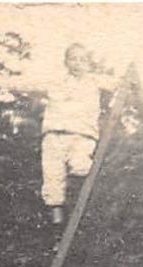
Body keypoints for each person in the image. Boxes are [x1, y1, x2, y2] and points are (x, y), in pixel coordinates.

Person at [40, 44, 111, 226]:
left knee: (80, 166)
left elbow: (118, 81)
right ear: (65, 62)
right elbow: (28, 82)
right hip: (54, 136)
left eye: (82, 59)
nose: (77, 64)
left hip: (81, 136)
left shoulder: (94, 81)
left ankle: (80, 212)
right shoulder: (55, 82)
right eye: (73, 59)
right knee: (52, 179)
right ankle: (56, 226)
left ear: (88, 63)